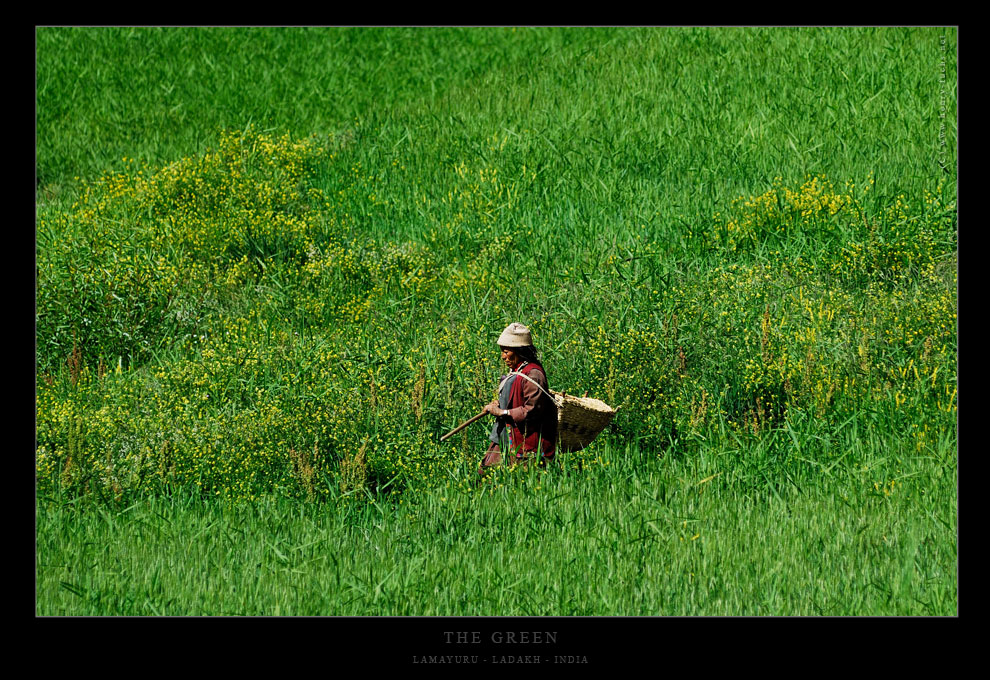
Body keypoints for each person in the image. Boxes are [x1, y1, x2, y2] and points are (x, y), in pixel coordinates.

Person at [479, 322, 558, 475]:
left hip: (528, 443)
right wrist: (499, 404)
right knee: (486, 475)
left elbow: (532, 409)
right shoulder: (517, 371)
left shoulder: (533, 374)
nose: (503, 356)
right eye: (502, 351)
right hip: (508, 435)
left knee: (521, 480)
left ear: (520, 351)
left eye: (506, 351)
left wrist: (502, 412)